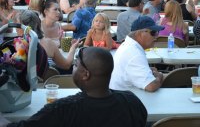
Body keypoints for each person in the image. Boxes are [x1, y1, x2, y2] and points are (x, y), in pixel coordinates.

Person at [1, 47, 147, 127]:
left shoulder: (63, 109)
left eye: (76, 65)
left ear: (86, 75)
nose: (73, 68)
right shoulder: (132, 102)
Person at [110, 16, 164, 92]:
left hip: (122, 95)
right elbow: (151, 86)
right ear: (140, 33)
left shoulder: (129, 46)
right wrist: (160, 76)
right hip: (126, 100)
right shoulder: (134, 53)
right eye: (153, 33)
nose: (156, 37)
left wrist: (148, 70)